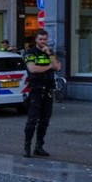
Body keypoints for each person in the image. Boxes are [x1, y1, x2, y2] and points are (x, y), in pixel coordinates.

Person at [23, 29, 60, 158]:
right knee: (32, 120)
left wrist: (50, 55)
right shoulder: (30, 53)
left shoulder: (50, 52)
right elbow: (33, 69)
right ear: (36, 40)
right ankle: (27, 147)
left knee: (44, 121)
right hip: (36, 90)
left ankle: (39, 147)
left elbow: (58, 67)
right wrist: (50, 66)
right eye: (40, 39)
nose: (43, 41)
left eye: (45, 39)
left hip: (48, 91)